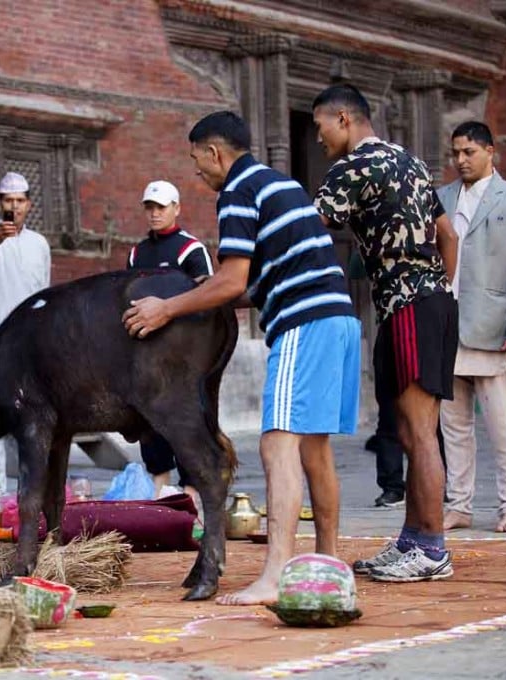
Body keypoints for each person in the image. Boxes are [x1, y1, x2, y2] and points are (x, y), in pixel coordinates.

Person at [123, 111, 360, 605]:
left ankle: (275, 574)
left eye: (196, 161)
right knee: (314, 449)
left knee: (276, 447)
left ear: (215, 153)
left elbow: (232, 282)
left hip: (304, 321)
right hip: (339, 317)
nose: (198, 172)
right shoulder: (281, 184)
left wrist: (166, 307)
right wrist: (197, 298)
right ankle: (328, 563)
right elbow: (255, 284)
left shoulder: (238, 192)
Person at [312, 84, 459, 582]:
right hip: (427, 303)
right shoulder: (412, 161)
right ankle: (413, 539)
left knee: (419, 433)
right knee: (407, 429)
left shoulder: (352, 168)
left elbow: (311, 229)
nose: (318, 138)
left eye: (321, 126)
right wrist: (440, 288)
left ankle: (432, 548)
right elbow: (449, 235)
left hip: (410, 307)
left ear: (345, 119)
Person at [437, 121, 506, 534]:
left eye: (469, 152)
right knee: (453, 426)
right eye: (456, 153)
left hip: (495, 328)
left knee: (501, 426)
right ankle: (459, 505)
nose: (461, 160)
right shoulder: (441, 197)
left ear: (490, 151)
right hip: (447, 325)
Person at [126, 180, 213, 499]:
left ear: (176, 208)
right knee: (149, 417)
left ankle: (192, 491)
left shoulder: (190, 249)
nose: (154, 213)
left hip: (186, 355)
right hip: (147, 352)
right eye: (149, 207)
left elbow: (209, 297)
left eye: (160, 207)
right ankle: (158, 488)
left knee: (189, 417)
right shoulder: (137, 252)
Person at [0, 171, 51, 491]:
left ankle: (29, 495)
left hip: (30, 345)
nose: (14, 207)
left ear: (28, 204)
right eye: (8, 201)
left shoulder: (39, 244)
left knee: (30, 418)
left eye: (19, 201)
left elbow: (43, 293)